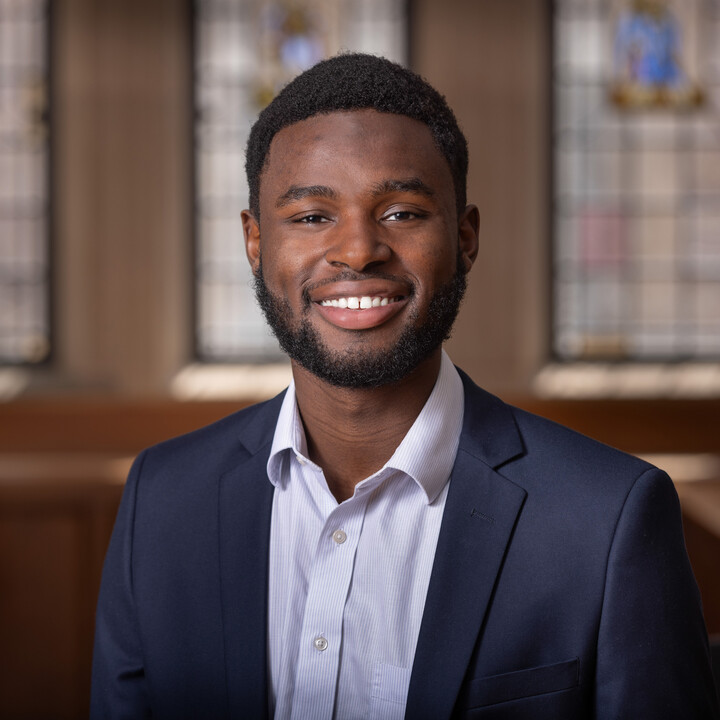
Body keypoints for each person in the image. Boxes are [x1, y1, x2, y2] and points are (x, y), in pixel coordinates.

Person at [91, 53, 719, 719]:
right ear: (254, 241)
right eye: (310, 216)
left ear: (465, 236)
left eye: (402, 213)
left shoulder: (607, 519)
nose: (359, 250)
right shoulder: (161, 500)